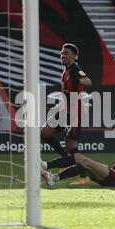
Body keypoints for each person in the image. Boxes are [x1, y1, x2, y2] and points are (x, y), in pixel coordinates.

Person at [41, 119, 115, 188]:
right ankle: (52, 177)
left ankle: (46, 167)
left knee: (82, 159)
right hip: (112, 175)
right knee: (81, 164)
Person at [40, 43, 92, 173]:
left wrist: (79, 80)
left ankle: (82, 173)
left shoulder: (75, 69)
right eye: (62, 53)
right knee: (44, 133)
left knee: (71, 145)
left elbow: (88, 81)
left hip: (75, 113)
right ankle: (66, 160)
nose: (63, 55)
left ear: (74, 56)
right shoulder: (65, 71)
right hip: (64, 110)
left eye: (66, 53)